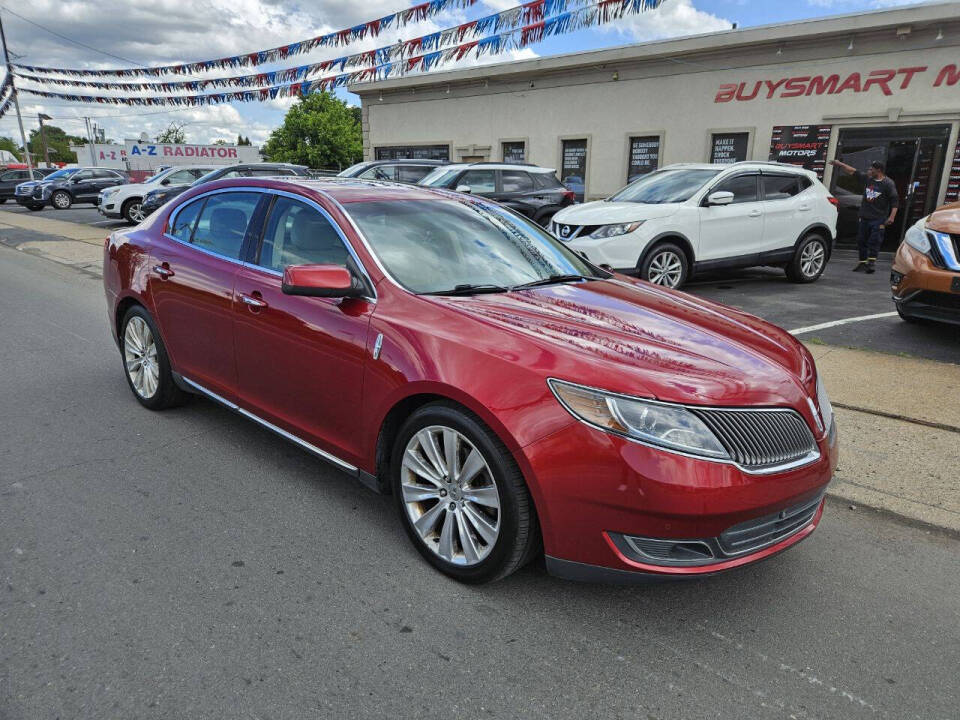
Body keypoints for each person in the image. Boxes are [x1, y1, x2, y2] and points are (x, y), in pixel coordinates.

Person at [829, 159, 899, 274]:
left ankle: (871, 263)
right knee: (861, 240)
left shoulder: (888, 183)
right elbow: (853, 171)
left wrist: (892, 217)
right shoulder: (868, 179)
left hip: (878, 218)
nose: (869, 171)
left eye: (872, 169)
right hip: (865, 217)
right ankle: (862, 262)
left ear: (879, 170)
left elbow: (895, 201)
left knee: (874, 240)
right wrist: (839, 164)